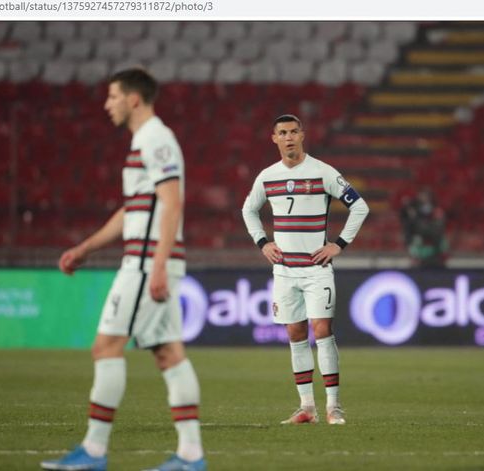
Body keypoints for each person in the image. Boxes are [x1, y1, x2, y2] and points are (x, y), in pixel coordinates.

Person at [41, 69, 206, 471]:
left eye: (113, 96)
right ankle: (190, 455)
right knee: (169, 355)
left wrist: (161, 266)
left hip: (148, 263)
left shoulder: (155, 139)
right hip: (149, 259)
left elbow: (173, 202)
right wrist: (86, 248)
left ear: (134, 99)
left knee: (106, 347)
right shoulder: (143, 141)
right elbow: (134, 209)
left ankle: (94, 451)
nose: (107, 104)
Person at [241, 114, 369, 425]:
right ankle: (307, 408)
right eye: (282, 133)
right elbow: (248, 209)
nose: (288, 137)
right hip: (284, 271)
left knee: (322, 331)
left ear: (302, 135)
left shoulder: (322, 172)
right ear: (274, 138)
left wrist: (338, 244)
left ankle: (334, 407)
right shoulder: (266, 177)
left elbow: (359, 206)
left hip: (316, 270)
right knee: (295, 334)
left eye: (293, 132)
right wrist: (263, 243)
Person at [399, 189, 448, 267]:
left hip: (433, 248)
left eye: (423, 196)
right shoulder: (416, 209)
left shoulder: (436, 210)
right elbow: (406, 222)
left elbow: (437, 228)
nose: (421, 198)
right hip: (420, 245)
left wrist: (415, 217)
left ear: (429, 197)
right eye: (420, 196)